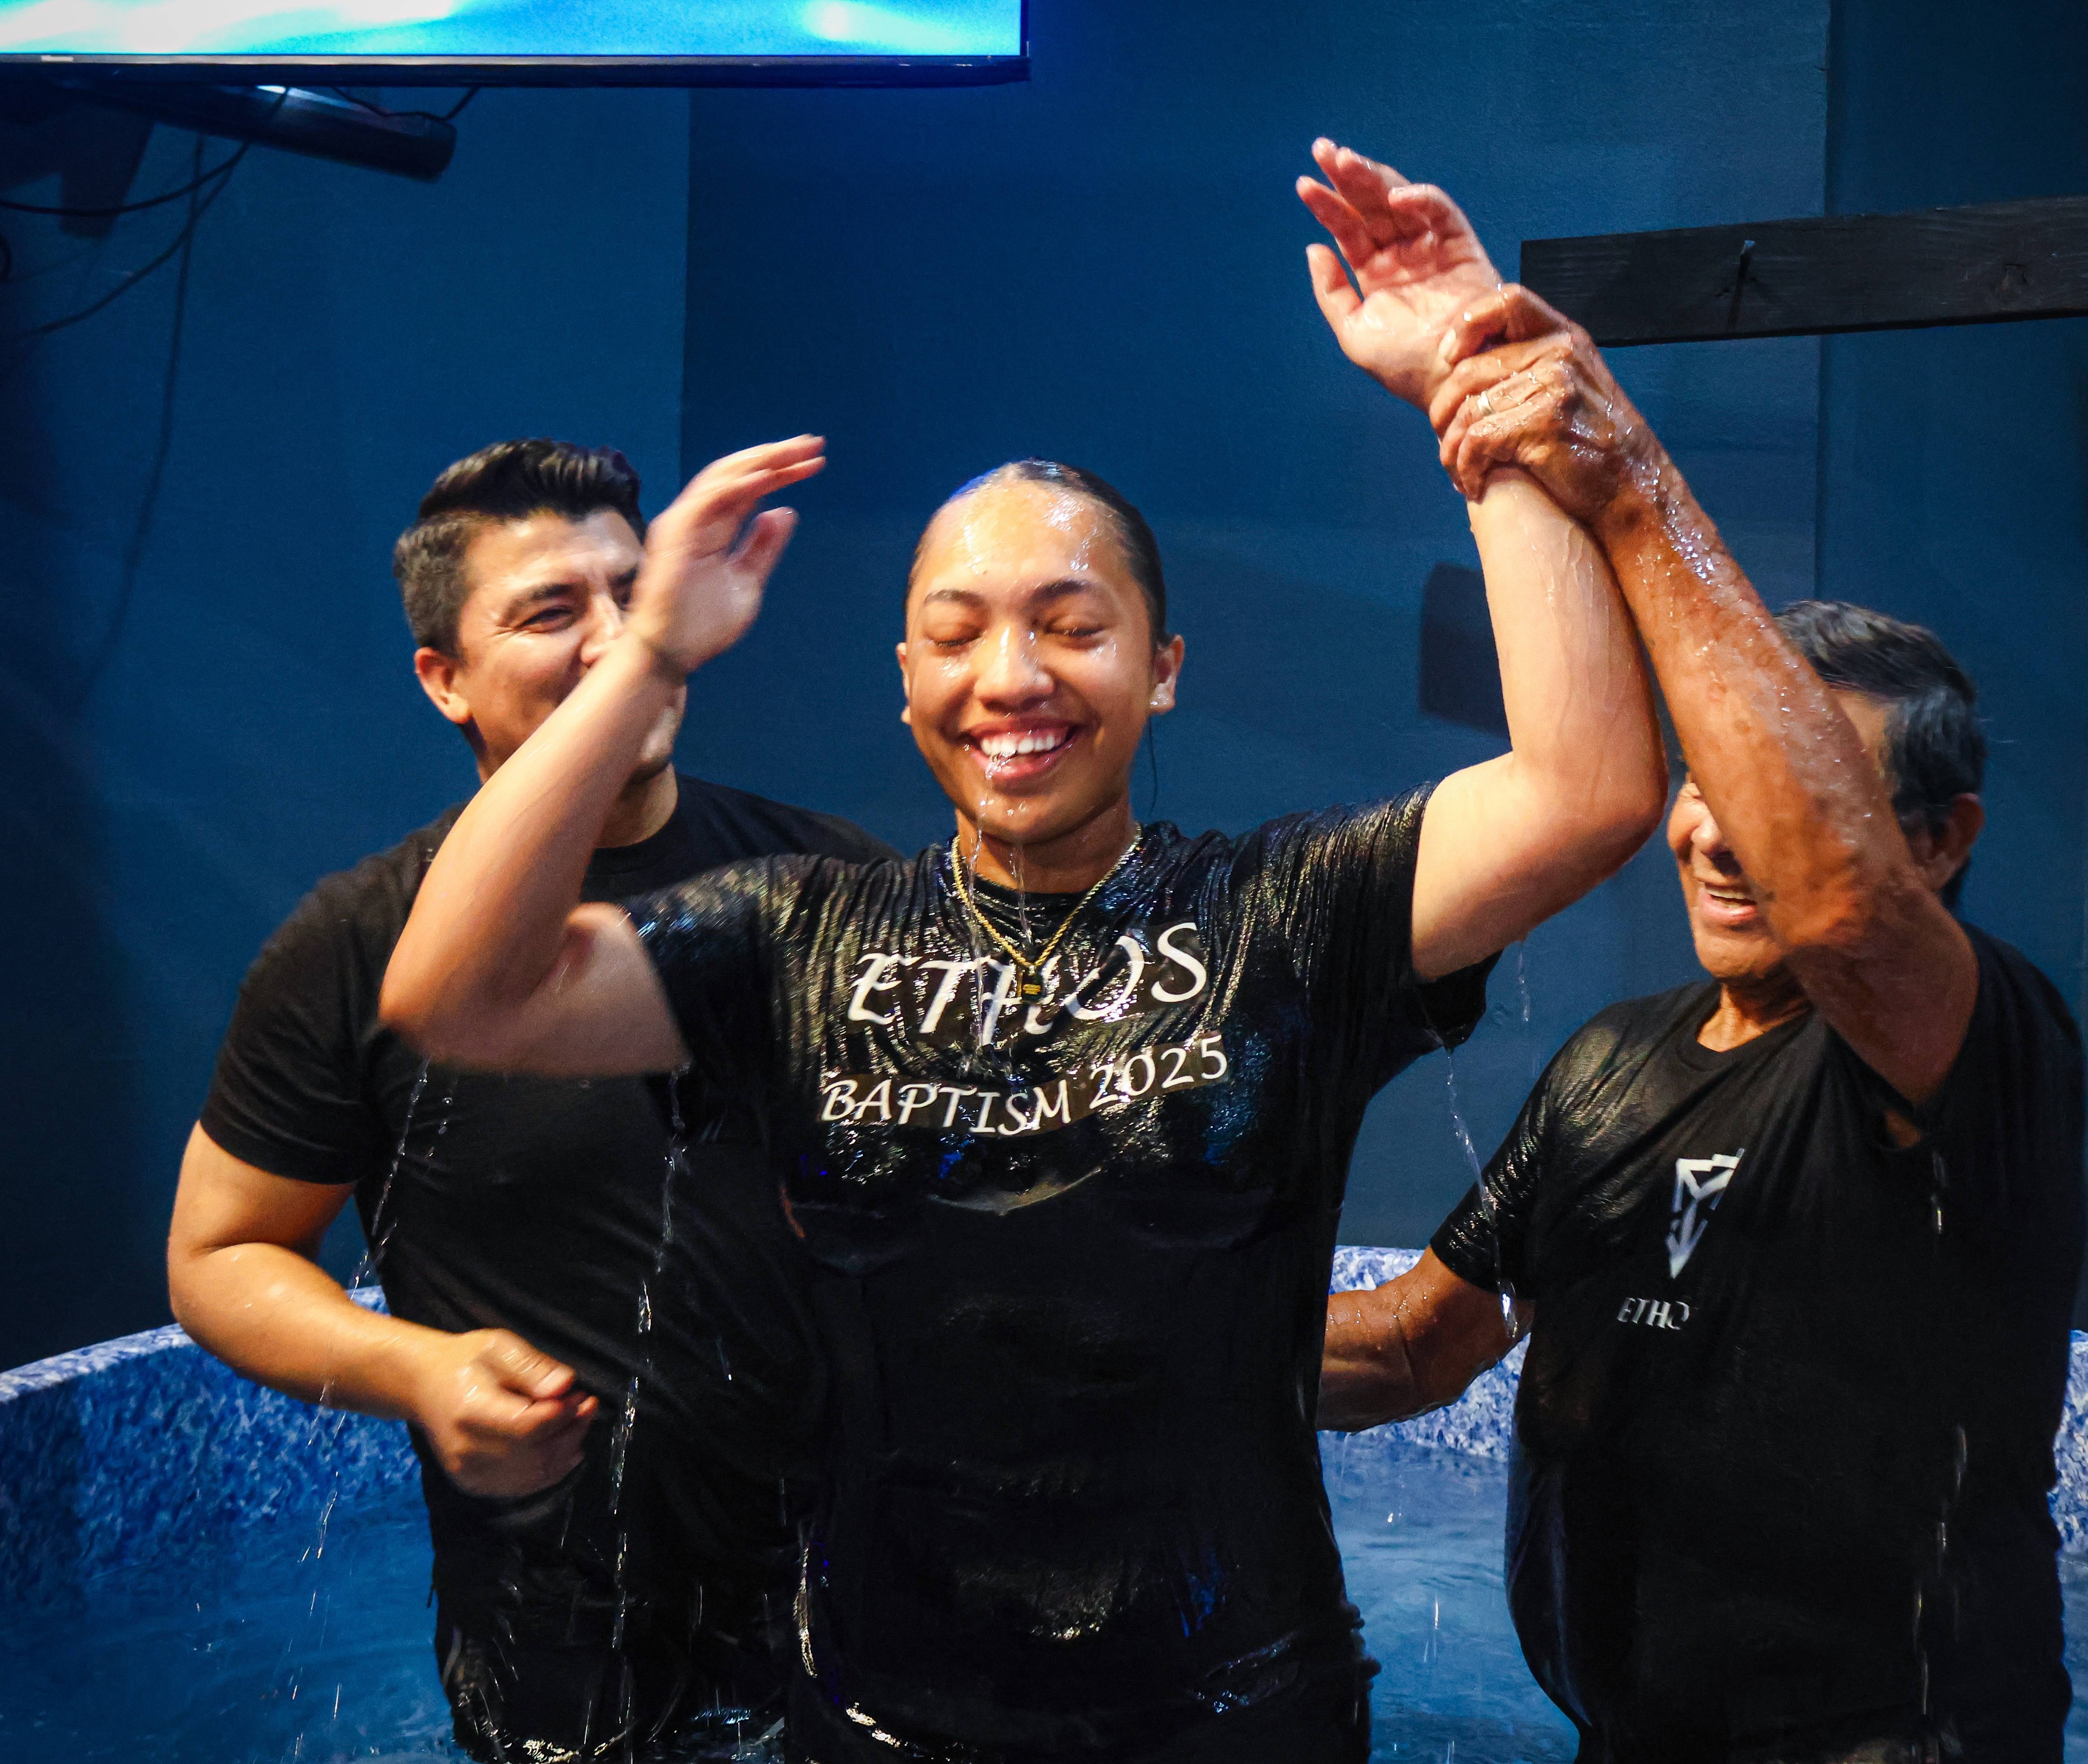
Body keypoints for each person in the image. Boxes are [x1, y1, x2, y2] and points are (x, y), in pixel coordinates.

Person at [374, 141, 1672, 1760]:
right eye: (958, 630)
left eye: (1073, 623)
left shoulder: (1291, 914)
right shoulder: (791, 934)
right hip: (879, 1716)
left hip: (1234, 1714)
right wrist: (642, 659)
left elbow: (1591, 786)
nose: (1014, 675)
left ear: (1166, 667)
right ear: (903, 678)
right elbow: (455, 990)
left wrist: (1479, 403)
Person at [1320, 268, 2086, 1761]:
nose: (1720, 833)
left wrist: (1631, 488)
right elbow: (1417, 1346)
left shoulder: (1981, 1052)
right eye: (1704, 782)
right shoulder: (1615, 1064)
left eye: (1783, 799)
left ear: (1939, 840)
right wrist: (1146, 1324)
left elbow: (1845, 916)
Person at [166, 439, 896, 1763]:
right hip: (558, 1645)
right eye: (553, 614)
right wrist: (421, 1372)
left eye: (638, 592)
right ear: (443, 680)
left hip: (864, 1609)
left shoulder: (829, 887)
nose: (622, 639)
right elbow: (221, 1255)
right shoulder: (354, 948)